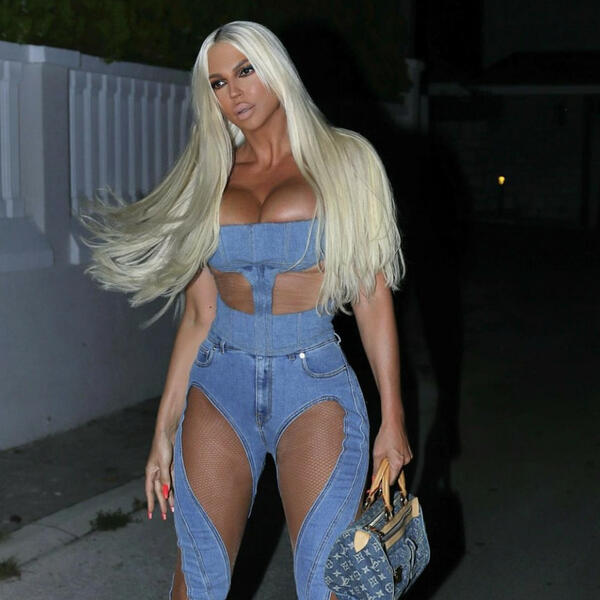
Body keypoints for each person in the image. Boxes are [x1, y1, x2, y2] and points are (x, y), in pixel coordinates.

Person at [82, 20, 412, 600]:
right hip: (219, 387)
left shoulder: (346, 161)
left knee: (327, 584)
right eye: (217, 83)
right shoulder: (208, 177)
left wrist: (394, 418)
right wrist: (162, 430)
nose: (233, 91)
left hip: (314, 390)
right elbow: (199, 315)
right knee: (198, 581)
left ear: (275, 70)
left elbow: (370, 296)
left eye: (245, 71)